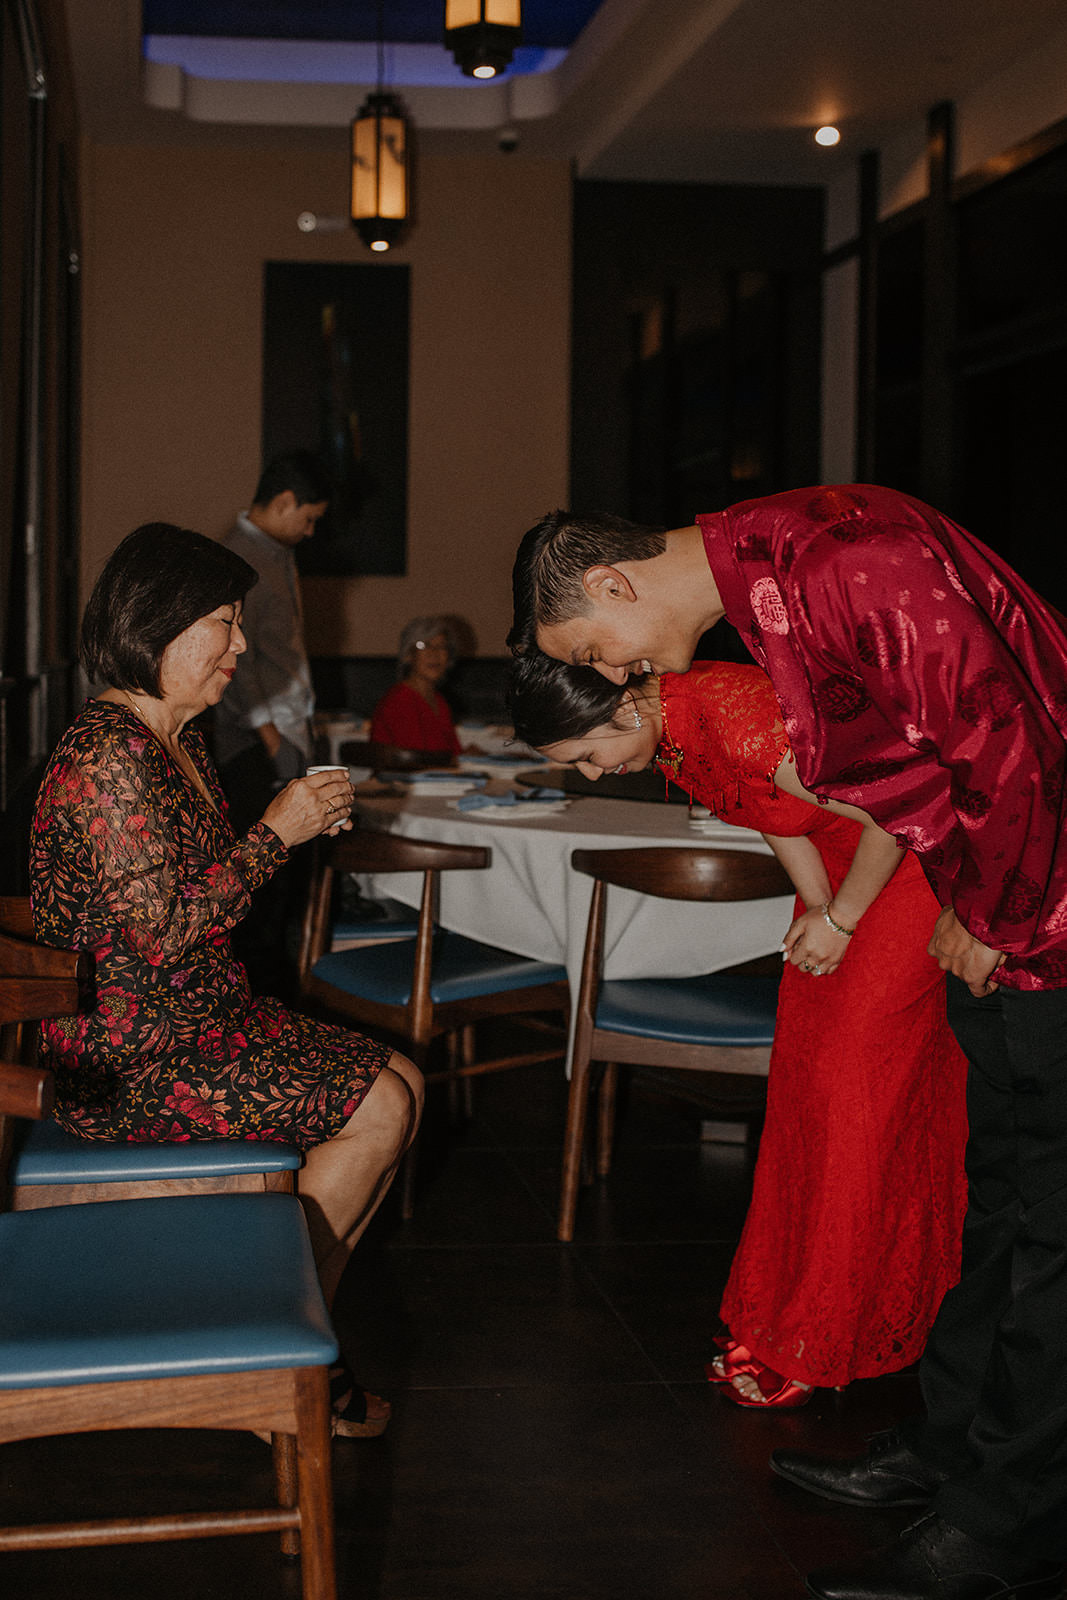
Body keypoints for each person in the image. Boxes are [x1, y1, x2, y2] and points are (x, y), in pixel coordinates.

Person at [511, 487, 1067, 1600]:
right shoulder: (776, 572)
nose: (616, 677)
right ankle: (952, 1450)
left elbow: (1003, 741)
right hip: (992, 894)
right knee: (995, 1189)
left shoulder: (842, 562)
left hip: (1037, 906)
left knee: (1052, 1228)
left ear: (613, 585)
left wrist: (991, 913)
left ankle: (1010, 1526)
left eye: (593, 650)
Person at [31, 523, 424, 1439]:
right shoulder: (106, 758)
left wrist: (278, 833)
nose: (241, 645)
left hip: (193, 1023)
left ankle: (294, 1344)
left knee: (401, 1082)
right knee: (382, 1108)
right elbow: (162, 932)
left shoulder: (174, 737)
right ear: (157, 624)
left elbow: (202, 903)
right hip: (125, 1058)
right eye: (223, 621)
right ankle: (283, 1360)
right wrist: (274, 834)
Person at [509, 649, 968, 1407]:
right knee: (804, 1093)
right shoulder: (670, 731)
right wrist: (818, 909)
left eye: (588, 755)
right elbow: (767, 814)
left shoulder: (741, 720)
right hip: (843, 874)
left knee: (852, 1102)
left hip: (913, 868)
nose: (591, 773)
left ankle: (821, 1336)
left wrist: (843, 920)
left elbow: (898, 808)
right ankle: (789, 1315)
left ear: (623, 709)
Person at [213, 451, 330, 991]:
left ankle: (276, 1005)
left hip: (283, 735)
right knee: (259, 889)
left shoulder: (275, 554)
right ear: (283, 502)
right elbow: (238, 661)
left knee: (283, 884)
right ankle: (258, 1008)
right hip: (255, 743)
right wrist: (268, 738)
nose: (310, 532)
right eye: (308, 518)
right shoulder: (238, 557)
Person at [369, 616, 461, 760]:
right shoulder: (399, 700)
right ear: (408, 655)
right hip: (403, 780)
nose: (434, 653)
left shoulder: (439, 701)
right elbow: (415, 759)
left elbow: (452, 752)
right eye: (423, 645)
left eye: (442, 646)